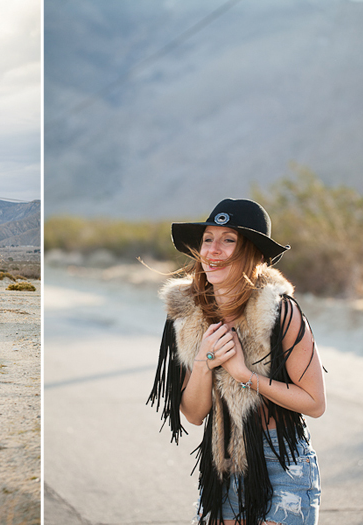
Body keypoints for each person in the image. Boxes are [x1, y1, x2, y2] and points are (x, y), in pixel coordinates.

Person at [147, 198, 326, 525]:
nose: (212, 251)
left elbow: (314, 402)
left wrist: (244, 374)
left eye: (228, 240)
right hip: (222, 464)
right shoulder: (187, 316)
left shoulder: (279, 312)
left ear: (254, 254)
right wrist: (203, 360)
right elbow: (194, 413)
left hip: (282, 461)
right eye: (207, 239)